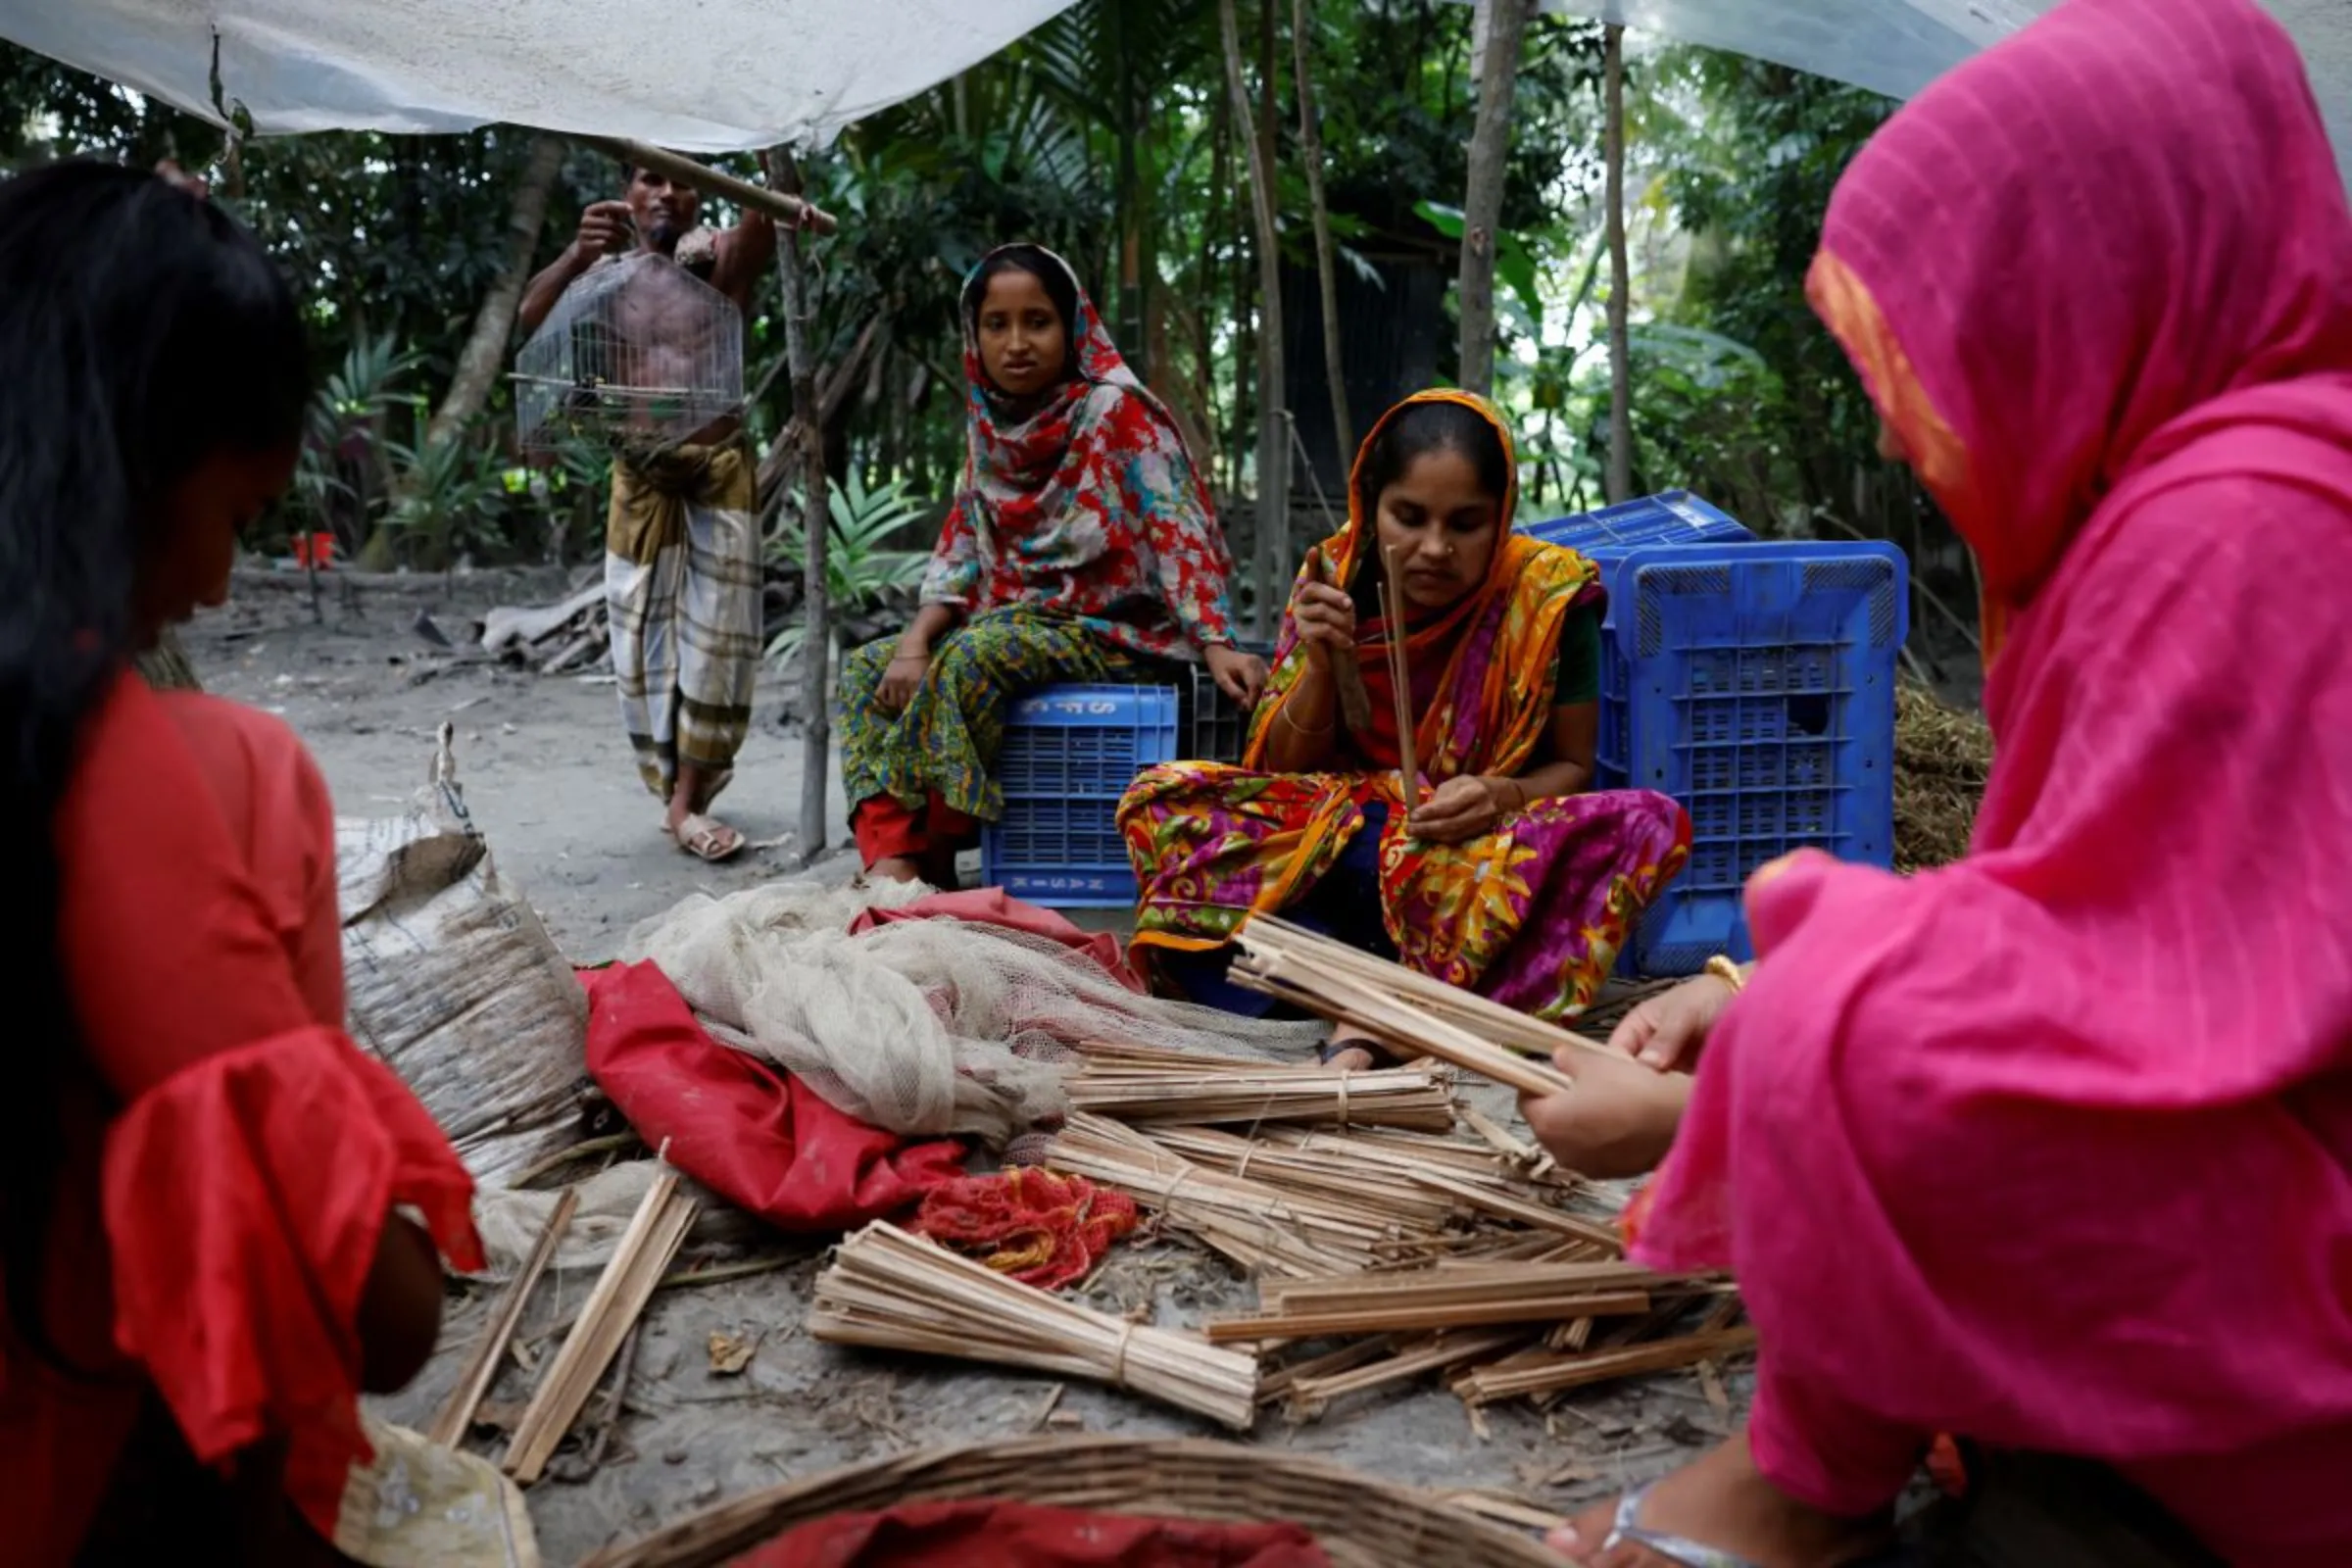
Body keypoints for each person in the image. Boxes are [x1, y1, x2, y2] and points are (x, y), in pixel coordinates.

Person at [1533, 1, 2352, 1562]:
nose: (1923, 424)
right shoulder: (2231, 486)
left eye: (1971, 329)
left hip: (2312, 1314)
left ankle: (1804, 1488)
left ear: (2105, 279)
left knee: (1861, 1038)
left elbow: (2130, 1001)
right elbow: (2140, 917)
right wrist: (1758, 1001)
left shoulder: (2246, 525)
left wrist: (1772, 1068)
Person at [0, 163, 483, 1564]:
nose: (217, 585)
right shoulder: (140, 765)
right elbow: (379, 1323)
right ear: (128, 468)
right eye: (231, 515)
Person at [1120, 391, 1691, 1063]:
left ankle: (1340, 992)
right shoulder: (1332, 580)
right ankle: (1409, 994)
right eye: (1409, 517)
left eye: (1467, 523)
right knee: (1158, 798)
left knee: (1647, 821)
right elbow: (1280, 774)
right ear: (1371, 502)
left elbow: (1573, 767)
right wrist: (1324, 666)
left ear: (1501, 514)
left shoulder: (1549, 597)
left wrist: (1498, 795)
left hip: (1467, 852)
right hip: (1343, 838)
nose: (1434, 548)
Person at [839, 243, 1263, 886]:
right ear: (974, 335)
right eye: (996, 324)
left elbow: (1178, 530)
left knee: (974, 656)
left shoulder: (1116, 413)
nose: (1016, 343)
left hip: (1113, 633)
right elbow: (960, 545)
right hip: (1013, 623)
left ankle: (933, 853)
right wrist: (915, 637)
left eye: (1037, 322)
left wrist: (1214, 642)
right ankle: (895, 857)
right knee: (868, 670)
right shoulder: (987, 430)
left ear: (1073, 328)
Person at [519, 158, 777, 862]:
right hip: (639, 474)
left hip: (719, 469)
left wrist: (764, 151)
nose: (667, 192)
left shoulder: (721, 257)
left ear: (704, 195)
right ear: (626, 195)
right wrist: (577, 251)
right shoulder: (603, 277)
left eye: (683, 179)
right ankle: (675, 793)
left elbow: (770, 214)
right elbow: (532, 317)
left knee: (718, 639)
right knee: (638, 639)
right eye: (649, 178)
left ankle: (687, 802)